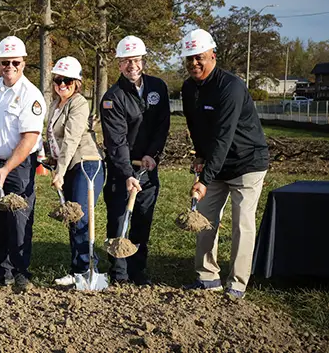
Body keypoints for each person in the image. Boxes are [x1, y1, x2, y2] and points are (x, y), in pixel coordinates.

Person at [180, 28, 269, 299]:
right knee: (205, 219)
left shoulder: (230, 87)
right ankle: (208, 277)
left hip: (246, 162)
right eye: (189, 59)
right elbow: (195, 126)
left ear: (213, 56)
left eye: (200, 58)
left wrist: (204, 180)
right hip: (215, 163)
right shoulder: (188, 88)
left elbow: (223, 138)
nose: (194, 63)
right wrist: (199, 155)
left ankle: (238, 283)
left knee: (242, 222)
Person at [0, 35, 46, 291]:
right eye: (5, 63)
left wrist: (8, 168)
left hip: (19, 167)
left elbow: (29, 139)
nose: (9, 67)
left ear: (23, 63)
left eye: (15, 62)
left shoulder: (31, 95)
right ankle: (1, 272)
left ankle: (21, 272)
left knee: (19, 220)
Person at [100, 35, 170, 286]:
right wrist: (128, 172)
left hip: (148, 167)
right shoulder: (113, 97)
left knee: (142, 217)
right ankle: (119, 272)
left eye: (137, 60)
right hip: (122, 169)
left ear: (143, 61)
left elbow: (162, 126)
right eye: (127, 61)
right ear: (119, 63)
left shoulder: (158, 87)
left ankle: (138, 270)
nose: (133, 65)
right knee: (119, 218)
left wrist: (153, 155)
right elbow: (116, 141)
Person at [44, 57, 104, 286]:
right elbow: (54, 137)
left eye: (67, 81)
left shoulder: (78, 103)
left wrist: (59, 171)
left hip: (86, 164)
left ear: (77, 82)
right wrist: (51, 159)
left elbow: (70, 138)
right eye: (58, 79)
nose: (62, 84)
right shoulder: (55, 103)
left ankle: (89, 270)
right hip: (68, 165)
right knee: (72, 218)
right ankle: (77, 269)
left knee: (79, 216)